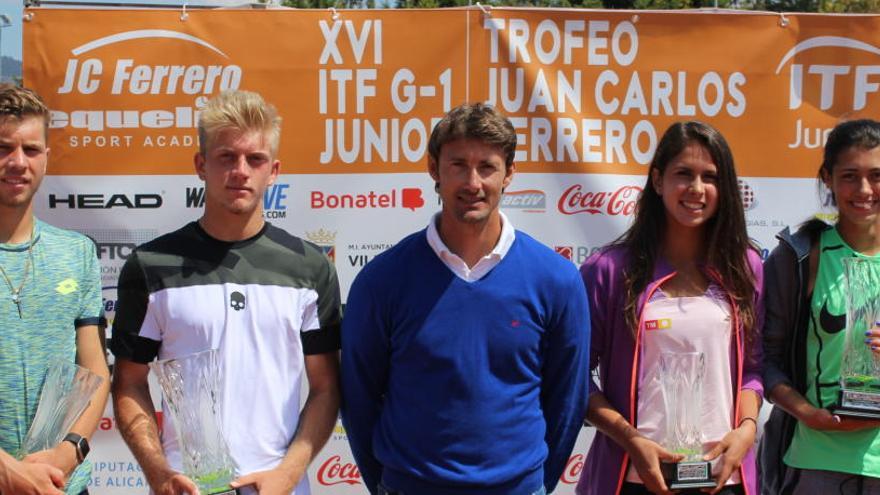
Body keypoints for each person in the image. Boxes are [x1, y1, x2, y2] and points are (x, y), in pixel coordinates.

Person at [340, 102, 591, 495]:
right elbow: (358, 400)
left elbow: (567, 400)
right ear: (433, 169)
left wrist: (530, 483)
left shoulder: (555, 279)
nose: (472, 182)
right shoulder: (382, 280)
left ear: (510, 174)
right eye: (458, 165)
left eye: (487, 167)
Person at [110, 90, 342, 495]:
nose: (240, 171)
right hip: (187, 487)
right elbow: (129, 382)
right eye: (226, 157)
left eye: (255, 159)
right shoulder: (151, 265)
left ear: (274, 170)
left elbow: (326, 386)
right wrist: (159, 472)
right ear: (201, 165)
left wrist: (287, 474)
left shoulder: (310, 268)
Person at [577, 121, 764, 495]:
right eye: (684, 174)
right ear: (658, 181)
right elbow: (575, 380)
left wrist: (746, 430)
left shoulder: (745, 267)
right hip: (632, 478)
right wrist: (631, 440)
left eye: (710, 177)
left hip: (723, 479)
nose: (697, 189)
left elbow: (753, 371)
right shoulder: (609, 270)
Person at [0, 84, 110, 495]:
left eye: (30, 149)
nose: (17, 162)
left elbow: (95, 370)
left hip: (61, 484)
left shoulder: (76, 254)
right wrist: (11, 473)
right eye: (3, 147)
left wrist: (67, 455)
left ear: (47, 156)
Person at [761, 119, 880, 495]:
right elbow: (765, 358)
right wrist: (806, 412)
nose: (864, 190)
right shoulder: (797, 257)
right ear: (827, 178)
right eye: (850, 175)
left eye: (876, 176)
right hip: (816, 462)